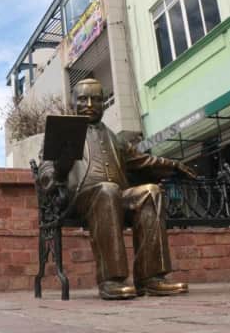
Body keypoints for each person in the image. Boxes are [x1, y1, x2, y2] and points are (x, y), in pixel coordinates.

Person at [37, 78, 197, 300]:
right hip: (79, 200)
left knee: (150, 192)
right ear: (73, 103)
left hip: (116, 196)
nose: (90, 104)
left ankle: (150, 278)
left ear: (104, 104)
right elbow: (45, 171)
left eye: (96, 99)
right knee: (107, 190)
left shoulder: (115, 138)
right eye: (83, 99)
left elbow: (144, 160)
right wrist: (57, 170)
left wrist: (173, 165)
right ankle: (111, 279)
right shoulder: (63, 134)